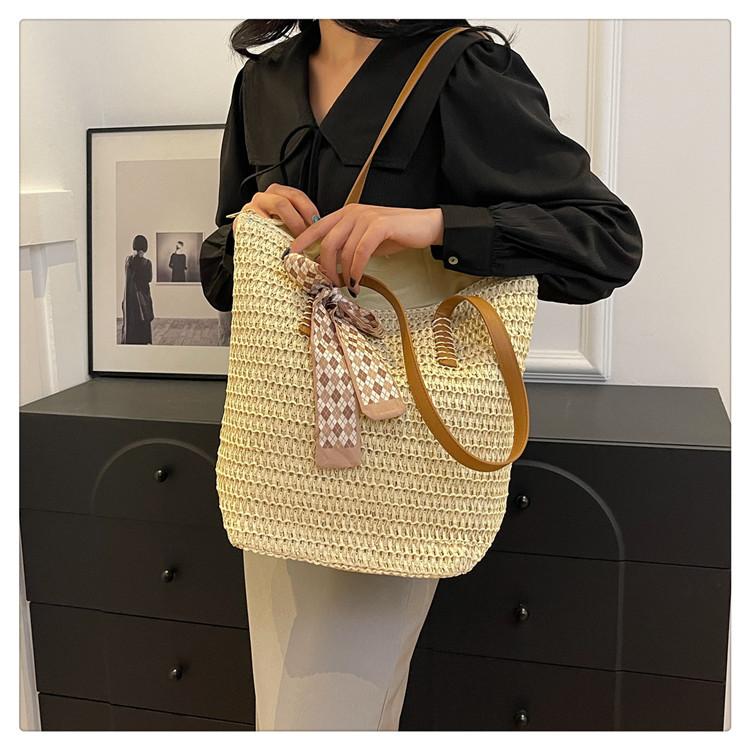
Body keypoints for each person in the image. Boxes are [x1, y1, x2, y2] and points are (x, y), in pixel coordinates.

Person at [200, 19, 643, 731]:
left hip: (391, 462)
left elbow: (605, 241)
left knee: (317, 718)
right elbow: (225, 282)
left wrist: (432, 225)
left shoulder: (462, 69)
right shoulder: (263, 79)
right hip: (279, 452)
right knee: (289, 713)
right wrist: (249, 224)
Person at [121, 234, 154, 344]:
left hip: (130, 299)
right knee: (143, 322)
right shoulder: (147, 263)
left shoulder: (128, 261)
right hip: (142, 298)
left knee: (131, 322)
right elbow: (149, 279)